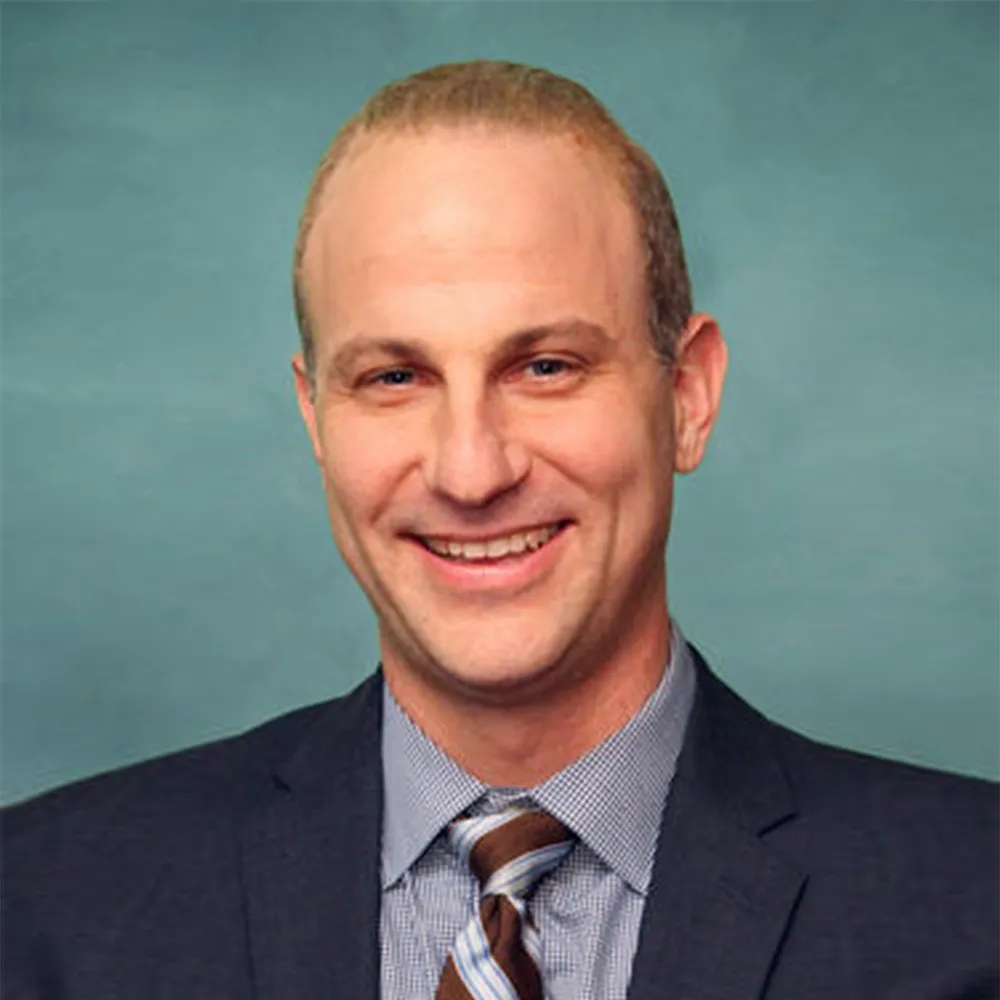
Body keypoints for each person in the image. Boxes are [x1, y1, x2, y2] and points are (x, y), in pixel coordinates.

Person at [2, 60, 997, 1000]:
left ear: (687, 396)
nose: (471, 471)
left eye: (546, 366)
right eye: (394, 377)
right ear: (316, 418)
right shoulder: (46, 908)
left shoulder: (972, 911)